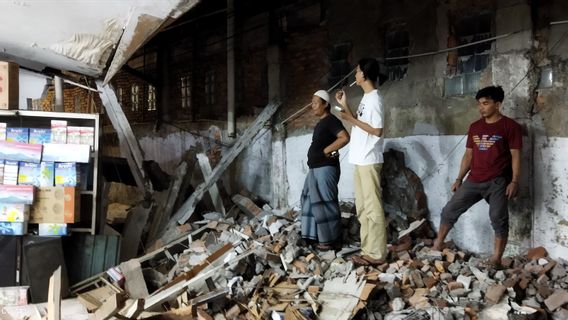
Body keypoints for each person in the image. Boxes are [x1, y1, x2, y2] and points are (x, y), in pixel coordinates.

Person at [432, 85, 522, 268]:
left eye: (485, 103)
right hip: (473, 180)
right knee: (449, 211)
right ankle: (438, 244)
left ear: (497, 105)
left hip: (497, 182)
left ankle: (496, 259)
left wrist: (514, 181)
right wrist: (459, 178)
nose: (481, 108)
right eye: (479, 104)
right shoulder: (475, 127)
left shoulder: (510, 126)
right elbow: (468, 155)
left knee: (499, 219)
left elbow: (516, 155)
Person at [335, 58, 387, 266]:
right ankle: (368, 250)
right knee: (364, 208)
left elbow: (377, 130)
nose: (355, 75)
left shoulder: (375, 99)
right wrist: (345, 106)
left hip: (369, 160)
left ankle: (377, 254)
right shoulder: (367, 98)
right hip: (360, 159)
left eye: (357, 71)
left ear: (364, 74)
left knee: (373, 208)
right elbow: (362, 122)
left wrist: (351, 120)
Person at [301, 90, 350, 251]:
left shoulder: (331, 120)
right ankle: (313, 237)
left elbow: (344, 137)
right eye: (312, 103)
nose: (312, 106)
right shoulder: (322, 123)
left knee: (326, 203)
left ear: (325, 104)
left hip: (325, 168)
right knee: (309, 201)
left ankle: (332, 240)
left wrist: (325, 151)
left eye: (315, 103)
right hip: (315, 168)